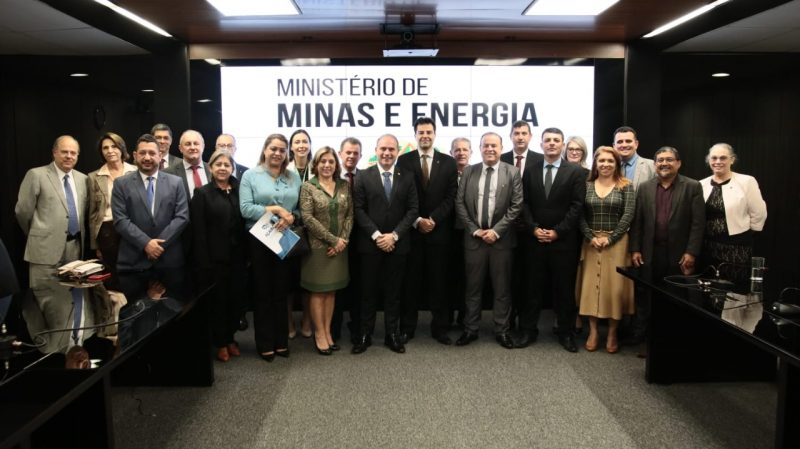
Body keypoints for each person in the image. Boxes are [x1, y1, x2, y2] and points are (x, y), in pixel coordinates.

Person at [629, 146, 705, 352]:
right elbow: (637, 222)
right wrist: (635, 249)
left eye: (669, 159)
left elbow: (698, 224)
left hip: (679, 254)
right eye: (660, 160)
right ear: (654, 165)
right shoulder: (644, 187)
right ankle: (642, 337)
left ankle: (673, 339)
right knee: (646, 295)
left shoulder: (692, 186)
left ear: (678, 163)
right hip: (649, 253)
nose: (664, 163)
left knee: (676, 297)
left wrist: (691, 252)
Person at [517, 127, 586, 353]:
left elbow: (577, 207)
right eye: (548, 140)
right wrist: (534, 229)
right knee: (531, 288)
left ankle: (565, 333)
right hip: (534, 241)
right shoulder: (531, 170)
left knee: (564, 289)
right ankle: (528, 330)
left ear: (563, 144)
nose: (552, 144)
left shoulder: (575, 172)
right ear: (541, 144)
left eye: (557, 140)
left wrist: (558, 232)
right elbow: (524, 204)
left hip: (563, 242)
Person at [454, 132, 523, 348]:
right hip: (474, 240)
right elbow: (459, 204)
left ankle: (502, 330)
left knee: (502, 289)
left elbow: (516, 205)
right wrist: (475, 230)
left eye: (494, 145)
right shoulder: (469, 172)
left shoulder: (512, 172)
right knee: (472, 288)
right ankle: (470, 329)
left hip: (501, 241)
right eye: (486, 146)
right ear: (480, 148)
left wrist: (496, 231)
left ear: (501, 148)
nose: (490, 149)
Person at [351, 134, 418, 354]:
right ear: (376, 150)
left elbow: (412, 210)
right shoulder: (363, 176)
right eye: (383, 149)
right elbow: (358, 209)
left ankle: (392, 335)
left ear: (397, 151)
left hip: (398, 245)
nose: (387, 153)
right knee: (368, 292)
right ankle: (364, 334)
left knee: (394, 293)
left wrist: (394, 236)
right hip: (371, 245)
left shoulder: (407, 176)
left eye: (391, 149)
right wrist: (378, 235)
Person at [240, 134, 301, 362]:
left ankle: (281, 341)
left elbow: (300, 211)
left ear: (287, 153)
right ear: (265, 150)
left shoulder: (293, 177)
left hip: (284, 238)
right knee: (262, 292)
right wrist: (275, 209)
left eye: (282, 150)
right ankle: (265, 343)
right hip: (259, 239)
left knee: (281, 292)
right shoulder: (250, 175)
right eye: (273, 148)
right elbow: (246, 209)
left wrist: (292, 217)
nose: (277, 153)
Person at [396, 117, 458, 345]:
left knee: (439, 282)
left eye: (429, 132)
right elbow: (401, 197)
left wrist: (433, 219)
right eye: (421, 132)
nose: (425, 136)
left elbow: (452, 197)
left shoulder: (448, 162)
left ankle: (440, 328)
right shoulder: (403, 161)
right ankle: (408, 328)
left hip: (439, 233)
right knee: (410, 283)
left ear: (435, 134)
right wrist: (417, 220)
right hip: (411, 233)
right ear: (415, 135)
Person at [576, 146, 635, 354]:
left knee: (614, 289)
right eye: (601, 161)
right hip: (591, 243)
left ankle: (612, 333)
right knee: (591, 288)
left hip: (617, 244)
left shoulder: (626, 186)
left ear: (617, 164)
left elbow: (628, 215)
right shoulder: (587, 185)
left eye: (610, 161)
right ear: (595, 163)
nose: (606, 165)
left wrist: (611, 238)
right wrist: (591, 237)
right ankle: (593, 331)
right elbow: (580, 214)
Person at [190, 149, 246, 362]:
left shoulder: (240, 190)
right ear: (211, 168)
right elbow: (199, 232)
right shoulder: (202, 193)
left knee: (236, 300)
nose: (223, 168)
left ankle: (231, 338)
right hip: (214, 260)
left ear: (232, 168)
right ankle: (220, 342)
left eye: (227, 165)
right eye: (218, 165)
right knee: (218, 302)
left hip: (239, 257)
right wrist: (204, 262)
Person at [299, 146, 353, 355]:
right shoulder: (308, 187)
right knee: (318, 292)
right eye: (323, 161)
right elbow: (308, 218)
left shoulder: (344, 186)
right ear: (316, 164)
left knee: (331, 292)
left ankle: (328, 331)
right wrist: (332, 240)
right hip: (317, 249)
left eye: (331, 161)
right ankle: (319, 334)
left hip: (340, 248)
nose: (327, 165)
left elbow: (350, 215)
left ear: (336, 164)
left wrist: (343, 241)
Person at [16, 136, 88, 290]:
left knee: (71, 302)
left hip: (75, 250)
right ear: (54, 152)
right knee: (45, 300)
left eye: (73, 153)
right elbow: (22, 211)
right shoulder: (36, 175)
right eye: (64, 152)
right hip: (44, 251)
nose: (69, 156)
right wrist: (38, 234)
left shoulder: (83, 179)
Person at [111, 134, 189, 273]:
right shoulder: (121, 184)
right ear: (135, 156)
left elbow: (182, 217)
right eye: (142, 153)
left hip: (169, 261)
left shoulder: (176, 182)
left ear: (160, 155)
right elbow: (120, 220)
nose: (147, 158)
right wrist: (146, 243)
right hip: (133, 262)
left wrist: (157, 246)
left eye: (152, 153)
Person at [699, 143, 767, 282]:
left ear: (732, 160)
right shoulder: (700, 184)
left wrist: (746, 234)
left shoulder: (747, 181)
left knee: (735, 288)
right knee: (709, 288)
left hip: (736, 246)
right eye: (714, 158)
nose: (718, 162)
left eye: (723, 158)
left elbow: (759, 212)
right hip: (708, 247)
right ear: (709, 160)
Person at [500, 120, 544, 331]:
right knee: (507, 279)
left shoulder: (541, 160)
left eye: (524, 133)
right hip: (506, 229)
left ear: (530, 136)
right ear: (510, 136)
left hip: (531, 229)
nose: (520, 137)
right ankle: (507, 320)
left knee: (529, 279)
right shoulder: (501, 159)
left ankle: (527, 325)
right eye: (516, 133)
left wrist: (532, 223)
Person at [87, 132, 137, 282]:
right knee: (114, 276)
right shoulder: (93, 177)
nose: (110, 151)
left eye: (114, 146)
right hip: (107, 232)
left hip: (133, 228)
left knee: (134, 272)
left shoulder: (136, 171)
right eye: (105, 148)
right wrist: (95, 245)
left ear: (121, 148)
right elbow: (92, 214)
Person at [331, 137, 363, 343]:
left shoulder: (367, 177)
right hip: (336, 240)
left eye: (355, 153)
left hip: (361, 240)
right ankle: (333, 329)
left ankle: (357, 327)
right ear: (340, 154)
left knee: (359, 286)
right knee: (336, 286)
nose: (351, 156)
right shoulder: (331, 178)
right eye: (347, 152)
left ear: (360, 155)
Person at [287, 129, 313, 339]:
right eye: (297, 142)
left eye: (305, 141)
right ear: (291, 146)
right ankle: (288, 322)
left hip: (313, 233)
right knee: (288, 281)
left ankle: (306, 320)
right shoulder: (283, 170)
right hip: (289, 230)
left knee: (308, 281)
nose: (301, 145)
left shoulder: (318, 167)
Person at [564, 135, 590, 333]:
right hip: (566, 233)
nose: (574, 152)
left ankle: (581, 317)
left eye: (578, 149)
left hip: (588, 233)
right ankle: (569, 319)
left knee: (583, 278)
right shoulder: (560, 172)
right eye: (571, 149)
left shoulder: (591, 174)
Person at [447, 137, 472, 328]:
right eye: (457, 150)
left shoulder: (477, 173)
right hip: (447, 233)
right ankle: (446, 318)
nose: (461, 153)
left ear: (471, 152)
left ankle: (466, 318)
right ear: (451, 153)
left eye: (465, 149)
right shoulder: (445, 174)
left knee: (468, 278)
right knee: (448, 276)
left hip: (471, 233)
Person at [164, 129, 211, 200]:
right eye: (188, 144)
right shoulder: (168, 173)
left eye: (196, 143)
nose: (192, 147)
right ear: (180, 148)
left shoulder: (213, 170)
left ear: (203, 146)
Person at [613, 126, 654, 191]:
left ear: (636, 144)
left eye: (628, 141)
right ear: (614, 146)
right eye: (620, 142)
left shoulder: (652, 166)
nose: (624, 145)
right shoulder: (609, 167)